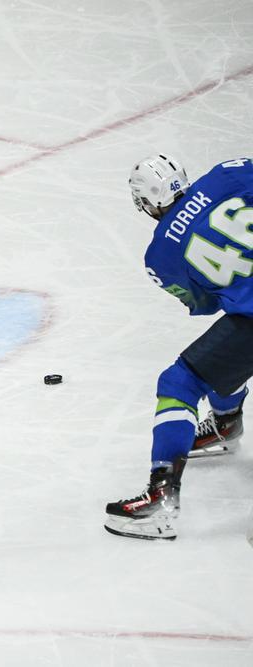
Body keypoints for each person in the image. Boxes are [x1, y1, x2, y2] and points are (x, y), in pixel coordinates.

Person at [105, 154, 252, 540]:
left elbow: (204, 304)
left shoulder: (160, 257)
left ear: (147, 202)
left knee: (180, 383)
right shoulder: (227, 173)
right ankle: (224, 424)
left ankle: (161, 499)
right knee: (225, 350)